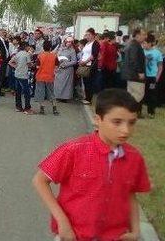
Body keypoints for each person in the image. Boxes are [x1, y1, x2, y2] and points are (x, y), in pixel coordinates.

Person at [33, 89, 150, 241]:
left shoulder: (134, 157)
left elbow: (130, 194)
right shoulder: (74, 149)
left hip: (115, 236)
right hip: (74, 234)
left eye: (131, 123)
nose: (125, 130)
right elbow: (40, 180)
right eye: (117, 122)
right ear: (97, 119)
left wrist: (135, 231)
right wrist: (62, 222)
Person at [121, 28, 146, 106]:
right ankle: (126, 109)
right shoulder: (135, 45)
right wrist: (140, 71)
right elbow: (134, 60)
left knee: (131, 94)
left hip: (130, 74)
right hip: (134, 75)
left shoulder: (131, 44)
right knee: (138, 94)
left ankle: (127, 110)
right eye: (143, 35)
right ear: (138, 35)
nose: (145, 37)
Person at [35, 42, 59, 115]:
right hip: (50, 77)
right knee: (51, 93)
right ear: (50, 48)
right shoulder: (54, 56)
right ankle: (54, 109)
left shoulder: (40, 56)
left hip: (40, 76)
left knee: (41, 93)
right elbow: (57, 66)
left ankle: (42, 109)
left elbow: (37, 67)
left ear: (43, 48)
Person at [9, 42, 33, 114]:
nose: (29, 48)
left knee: (18, 91)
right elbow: (29, 64)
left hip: (17, 74)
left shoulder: (17, 53)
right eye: (28, 46)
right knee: (27, 92)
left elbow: (10, 62)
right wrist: (32, 64)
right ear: (25, 47)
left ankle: (18, 107)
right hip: (23, 75)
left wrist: (16, 67)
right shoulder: (27, 54)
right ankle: (27, 108)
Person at [142, 35, 163, 118]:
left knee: (152, 94)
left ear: (150, 43)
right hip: (143, 76)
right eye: (143, 43)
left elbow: (160, 66)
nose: (144, 45)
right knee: (141, 94)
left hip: (152, 77)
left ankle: (151, 111)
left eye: (145, 43)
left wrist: (157, 77)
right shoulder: (141, 51)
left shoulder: (157, 53)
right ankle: (138, 111)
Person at [79, 28, 100, 105]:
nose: (87, 36)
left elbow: (93, 55)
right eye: (86, 35)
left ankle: (89, 99)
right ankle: (86, 97)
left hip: (90, 66)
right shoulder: (87, 44)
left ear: (93, 35)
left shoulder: (95, 44)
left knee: (89, 82)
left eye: (89, 35)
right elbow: (84, 53)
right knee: (85, 82)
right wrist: (81, 60)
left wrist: (85, 62)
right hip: (84, 64)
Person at [54, 37, 77, 101]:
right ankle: (58, 96)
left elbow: (74, 61)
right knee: (58, 83)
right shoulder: (60, 49)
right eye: (67, 42)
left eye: (70, 42)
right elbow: (55, 56)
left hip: (67, 69)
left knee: (66, 84)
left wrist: (66, 64)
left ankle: (65, 98)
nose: (68, 43)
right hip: (59, 68)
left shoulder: (72, 50)